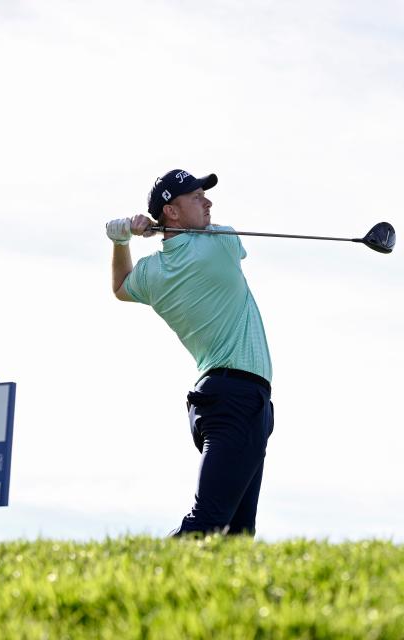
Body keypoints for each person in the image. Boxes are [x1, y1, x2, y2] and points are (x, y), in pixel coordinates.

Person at [106, 169, 274, 537]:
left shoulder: (153, 273)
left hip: (227, 398)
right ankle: (134, 577)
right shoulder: (221, 243)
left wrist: (122, 241)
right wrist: (158, 231)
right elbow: (214, 240)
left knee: (236, 533)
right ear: (173, 211)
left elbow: (120, 287)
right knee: (208, 525)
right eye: (197, 197)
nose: (208, 202)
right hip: (236, 397)